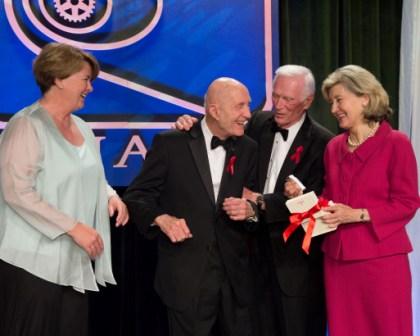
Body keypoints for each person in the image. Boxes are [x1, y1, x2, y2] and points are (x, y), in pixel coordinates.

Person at [175, 65, 333, 336]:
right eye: (276, 96)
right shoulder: (257, 123)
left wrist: (262, 201)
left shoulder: (323, 143)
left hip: (293, 268)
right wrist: (192, 127)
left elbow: (314, 205)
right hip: (248, 262)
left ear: (307, 102)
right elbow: (219, 135)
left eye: (288, 100)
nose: (279, 106)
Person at [0, 42, 129, 336]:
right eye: (85, 79)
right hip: (30, 263)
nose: (90, 88)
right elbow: (17, 191)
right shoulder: (26, 125)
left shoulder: (82, 126)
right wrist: (75, 227)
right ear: (58, 78)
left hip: (72, 263)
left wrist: (110, 196)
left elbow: (91, 175)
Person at [124, 77, 259, 336]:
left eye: (248, 106)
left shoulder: (248, 148)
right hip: (187, 278)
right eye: (240, 106)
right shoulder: (171, 143)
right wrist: (162, 218)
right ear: (215, 110)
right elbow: (137, 195)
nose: (247, 114)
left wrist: (251, 210)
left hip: (236, 281)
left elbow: (253, 200)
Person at [318, 65, 420, 336]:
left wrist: (357, 214)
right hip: (338, 261)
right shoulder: (333, 147)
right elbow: (330, 198)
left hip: (381, 260)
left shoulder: (397, 143)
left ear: (365, 97)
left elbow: (407, 202)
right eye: (331, 103)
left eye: (339, 100)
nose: (333, 109)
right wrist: (305, 201)